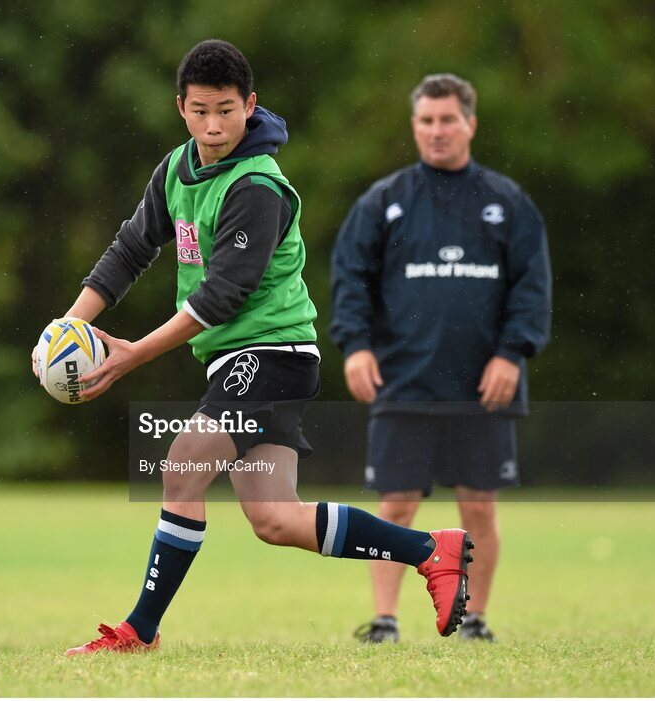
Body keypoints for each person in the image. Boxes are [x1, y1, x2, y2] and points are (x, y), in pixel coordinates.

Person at [35, 41, 473, 655]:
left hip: (272, 355)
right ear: (180, 108)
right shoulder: (177, 169)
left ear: (250, 106)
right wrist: (67, 327)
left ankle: (140, 630)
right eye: (200, 111)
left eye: (227, 110)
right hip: (240, 359)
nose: (214, 126)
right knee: (275, 519)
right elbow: (131, 249)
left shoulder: (258, 185)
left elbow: (224, 296)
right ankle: (432, 550)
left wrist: (133, 353)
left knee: (181, 467)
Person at [329, 73, 552, 643]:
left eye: (448, 119)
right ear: (414, 125)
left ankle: (475, 620)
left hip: (485, 384)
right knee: (395, 504)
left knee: (479, 508)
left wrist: (512, 354)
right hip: (402, 380)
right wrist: (354, 347)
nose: (437, 131)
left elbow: (532, 286)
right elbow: (350, 278)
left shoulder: (507, 202)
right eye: (426, 120)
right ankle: (384, 620)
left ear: (471, 123)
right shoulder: (384, 202)